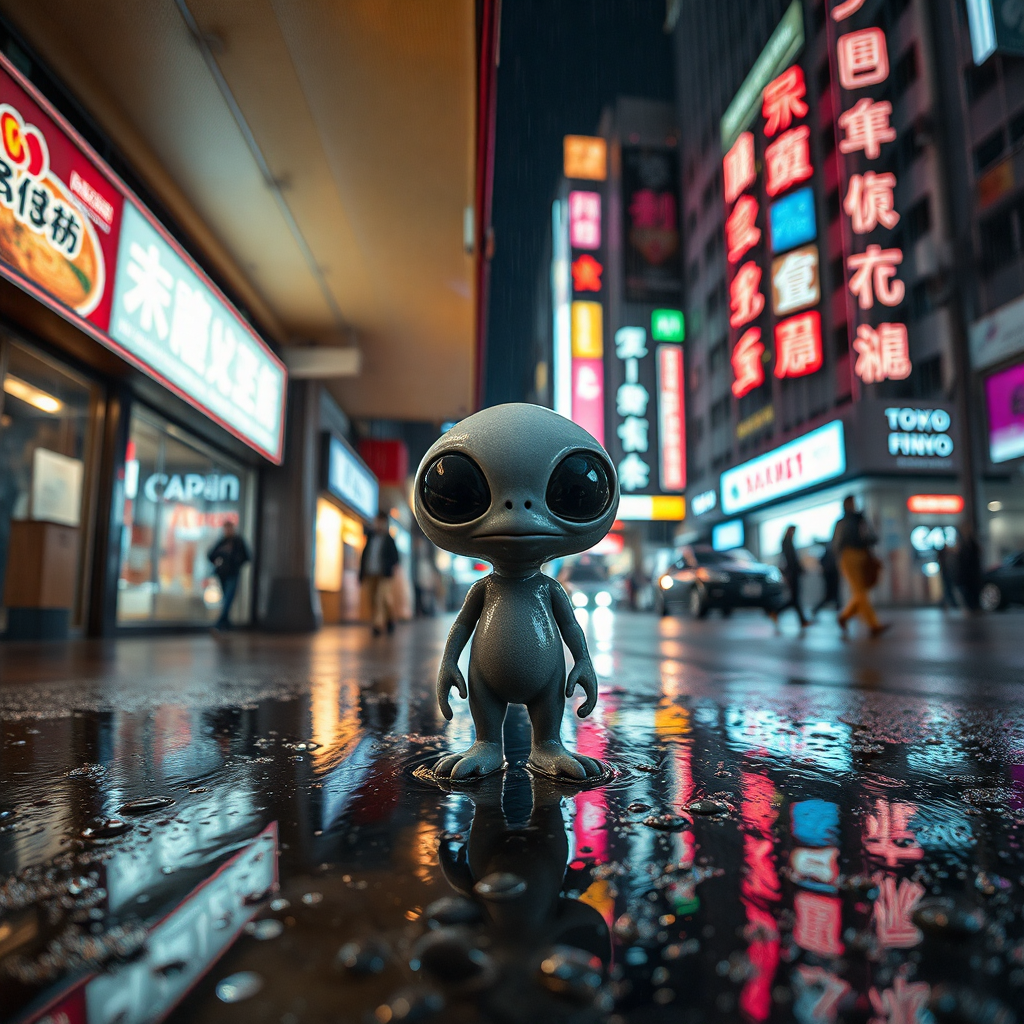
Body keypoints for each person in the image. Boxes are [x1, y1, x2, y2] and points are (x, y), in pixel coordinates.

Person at [833, 495, 888, 637]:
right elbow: (837, 543)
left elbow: (871, 536)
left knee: (861, 590)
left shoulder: (858, 519)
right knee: (859, 591)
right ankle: (873, 625)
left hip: (862, 555)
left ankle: (844, 616)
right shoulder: (845, 521)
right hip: (849, 556)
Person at [360, 512, 400, 635]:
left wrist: (389, 566)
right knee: (372, 599)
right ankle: (388, 621)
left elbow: (396, 558)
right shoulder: (370, 537)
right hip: (370, 573)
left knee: (382, 598)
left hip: (384, 574)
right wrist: (361, 573)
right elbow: (364, 556)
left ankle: (377, 625)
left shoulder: (389, 540)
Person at [207, 519, 250, 631]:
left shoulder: (238, 541)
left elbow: (247, 557)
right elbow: (211, 554)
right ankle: (226, 623)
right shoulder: (222, 542)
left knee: (228, 598)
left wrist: (236, 562)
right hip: (223, 574)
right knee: (226, 597)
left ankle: (221, 622)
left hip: (233, 573)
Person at [772, 525, 809, 628]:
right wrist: (798, 569)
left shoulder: (789, 542)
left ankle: (802, 621)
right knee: (794, 599)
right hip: (792, 574)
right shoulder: (787, 542)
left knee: (794, 599)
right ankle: (776, 612)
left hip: (792, 573)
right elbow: (791, 560)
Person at [956, 522, 982, 612]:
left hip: (972, 574)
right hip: (966, 574)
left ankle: (974, 607)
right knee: (968, 593)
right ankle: (972, 608)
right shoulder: (963, 544)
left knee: (972, 592)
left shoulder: (971, 544)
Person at [813, 537, 840, 615]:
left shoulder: (830, 550)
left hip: (831, 576)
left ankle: (842, 615)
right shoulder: (830, 551)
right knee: (829, 597)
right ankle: (842, 616)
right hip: (830, 577)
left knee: (834, 597)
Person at [936, 539, 958, 610]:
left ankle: (950, 603)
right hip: (946, 573)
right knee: (947, 589)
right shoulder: (945, 555)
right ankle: (949, 603)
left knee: (948, 589)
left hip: (947, 573)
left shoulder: (947, 555)